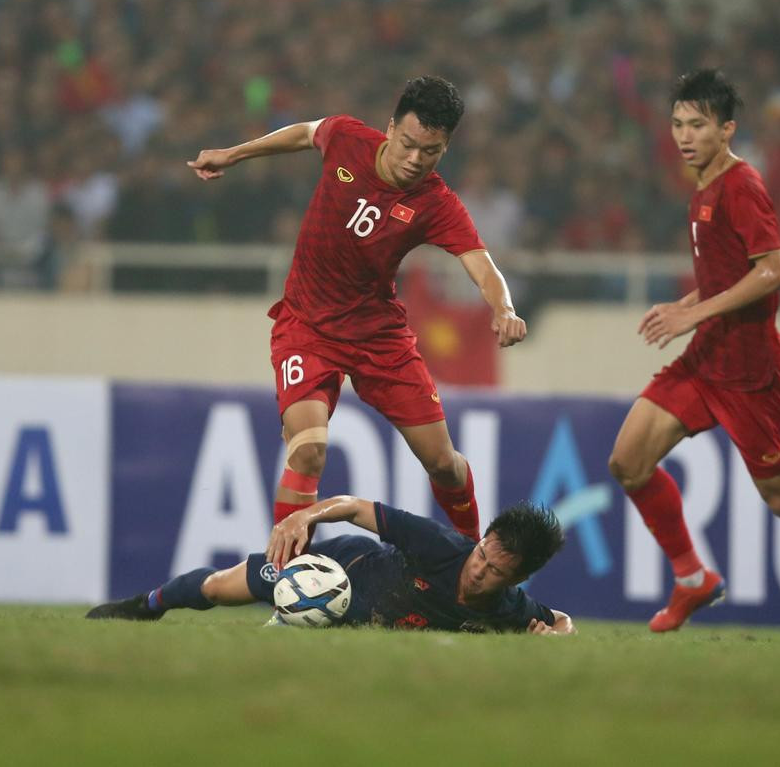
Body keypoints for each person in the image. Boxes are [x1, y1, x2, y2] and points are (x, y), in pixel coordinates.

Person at [607, 69, 780, 645]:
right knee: (628, 462)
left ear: (726, 129)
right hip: (705, 357)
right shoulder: (703, 187)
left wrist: (692, 314)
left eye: (698, 125)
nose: (684, 136)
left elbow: (773, 271)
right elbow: (726, 275)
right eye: (678, 124)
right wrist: (686, 304)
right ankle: (692, 576)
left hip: (751, 371)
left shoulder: (741, 185)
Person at [186, 77, 527, 551]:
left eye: (429, 151)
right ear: (390, 128)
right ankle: (283, 585)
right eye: (407, 144)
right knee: (308, 450)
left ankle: (467, 556)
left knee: (443, 463)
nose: (414, 159)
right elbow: (305, 132)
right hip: (306, 326)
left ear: (444, 148)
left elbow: (481, 265)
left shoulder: (435, 202)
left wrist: (504, 308)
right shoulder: (347, 139)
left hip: (378, 337)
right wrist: (234, 154)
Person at [86, 498, 575, 635]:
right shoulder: (441, 545)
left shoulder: (510, 609)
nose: (478, 571)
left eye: (494, 572)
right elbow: (357, 508)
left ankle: (287, 622)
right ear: (482, 539)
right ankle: (147, 605)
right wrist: (305, 515)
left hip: (358, 617)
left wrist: (556, 636)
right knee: (216, 588)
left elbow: (560, 622)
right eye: (482, 555)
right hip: (335, 568)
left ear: (516, 578)